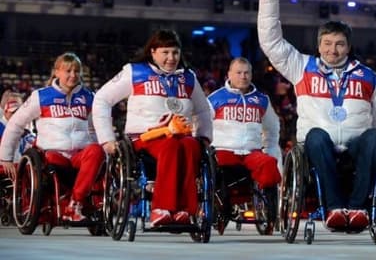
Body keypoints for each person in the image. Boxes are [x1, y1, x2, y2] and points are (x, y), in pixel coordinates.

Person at [256, 0, 376, 231]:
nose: (332, 49)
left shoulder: (367, 76)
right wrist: (268, 0)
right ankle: (334, 209)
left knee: (374, 137)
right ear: (318, 45)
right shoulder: (301, 66)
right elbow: (272, 43)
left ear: (348, 47)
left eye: (339, 44)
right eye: (327, 43)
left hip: (355, 149)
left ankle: (357, 209)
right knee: (316, 135)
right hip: (317, 149)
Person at [92, 29, 213, 227]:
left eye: (175, 52)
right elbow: (102, 99)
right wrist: (107, 139)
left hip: (181, 134)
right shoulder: (135, 72)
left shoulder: (188, 77)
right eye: (165, 52)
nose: (171, 58)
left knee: (192, 146)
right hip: (145, 137)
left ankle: (185, 209)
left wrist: (204, 136)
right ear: (153, 52)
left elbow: (202, 110)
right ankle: (161, 208)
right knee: (171, 146)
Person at [0, 53, 105, 222]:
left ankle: (75, 204)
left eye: (76, 71)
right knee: (50, 157)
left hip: (79, 155)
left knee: (97, 151)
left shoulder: (89, 97)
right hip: (52, 154)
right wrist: (5, 157)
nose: (73, 75)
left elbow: (95, 129)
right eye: (68, 71)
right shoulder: (41, 96)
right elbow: (15, 125)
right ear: (56, 72)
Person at [207, 57, 282, 189]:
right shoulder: (215, 98)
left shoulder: (262, 100)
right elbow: (202, 125)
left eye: (247, 73)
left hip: (252, 152)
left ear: (251, 75)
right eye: (239, 73)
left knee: (269, 163)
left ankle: (268, 207)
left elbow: (272, 128)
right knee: (219, 170)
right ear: (229, 74)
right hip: (223, 150)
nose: (243, 76)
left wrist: (269, 149)